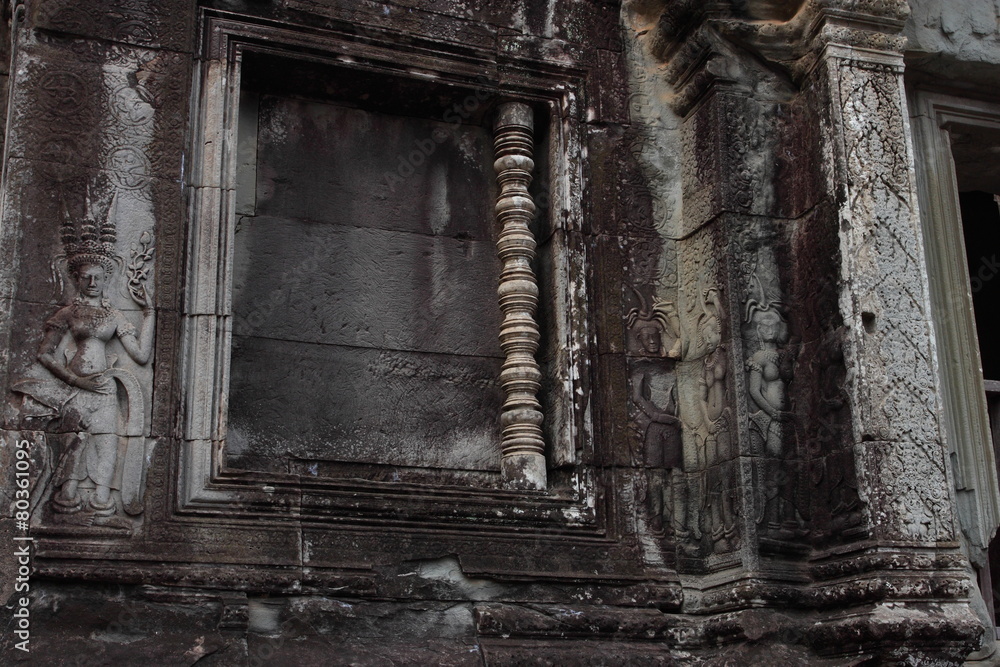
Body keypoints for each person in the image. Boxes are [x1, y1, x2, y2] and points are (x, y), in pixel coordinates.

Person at [13, 216, 153, 523]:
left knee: (107, 440)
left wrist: (150, 312)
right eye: (86, 277)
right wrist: (75, 380)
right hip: (76, 387)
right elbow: (45, 354)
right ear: (77, 279)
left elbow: (141, 356)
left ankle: (103, 500)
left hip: (104, 386)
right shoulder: (69, 312)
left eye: (98, 278)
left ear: (106, 279)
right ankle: (66, 499)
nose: (92, 283)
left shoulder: (115, 315)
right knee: (73, 443)